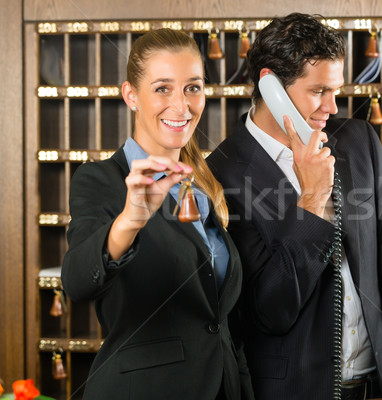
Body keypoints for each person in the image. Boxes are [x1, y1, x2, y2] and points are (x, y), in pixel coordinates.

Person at [206, 13, 382, 400]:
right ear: (271, 86)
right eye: (318, 91)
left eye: (335, 90)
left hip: (379, 386)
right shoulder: (221, 175)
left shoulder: (359, 142)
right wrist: (312, 201)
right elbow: (269, 309)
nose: (332, 106)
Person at [61, 28, 254, 400]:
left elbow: (220, 321)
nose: (181, 106)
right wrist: (131, 219)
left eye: (193, 87)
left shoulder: (206, 184)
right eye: (163, 88)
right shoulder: (103, 180)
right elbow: (77, 280)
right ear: (131, 95)